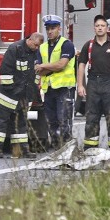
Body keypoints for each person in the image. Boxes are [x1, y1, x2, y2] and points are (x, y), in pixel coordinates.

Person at [0, 32, 44, 159]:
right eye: (35, 45)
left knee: (21, 125)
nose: (36, 48)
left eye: (38, 46)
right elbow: (5, 71)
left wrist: (31, 93)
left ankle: (20, 151)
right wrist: (13, 90)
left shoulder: (35, 53)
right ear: (29, 40)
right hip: (7, 96)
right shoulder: (15, 49)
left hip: (23, 96)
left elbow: (35, 73)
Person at [77, 15, 110, 159]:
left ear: (107, 28)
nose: (100, 28)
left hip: (109, 82)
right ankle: (90, 149)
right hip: (93, 83)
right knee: (92, 117)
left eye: (102, 26)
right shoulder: (89, 45)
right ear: (94, 28)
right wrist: (80, 85)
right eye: (97, 26)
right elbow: (81, 65)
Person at [34, 15, 76, 149]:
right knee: (51, 121)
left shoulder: (67, 44)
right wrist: (46, 68)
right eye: (48, 29)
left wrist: (45, 66)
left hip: (64, 88)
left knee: (64, 120)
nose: (50, 31)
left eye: (53, 28)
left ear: (59, 28)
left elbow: (61, 65)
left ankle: (67, 148)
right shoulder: (42, 47)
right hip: (49, 89)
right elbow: (38, 70)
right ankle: (57, 148)